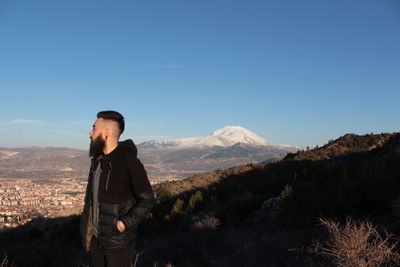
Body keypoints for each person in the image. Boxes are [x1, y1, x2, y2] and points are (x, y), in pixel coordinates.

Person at [80, 110, 154, 267]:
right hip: (96, 241)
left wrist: (123, 224)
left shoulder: (129, 162)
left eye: (94, 128)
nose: (90, 133)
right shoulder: (97, 161)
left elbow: (147, 199)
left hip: (119, 244)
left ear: (107, 132)